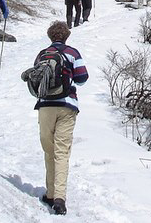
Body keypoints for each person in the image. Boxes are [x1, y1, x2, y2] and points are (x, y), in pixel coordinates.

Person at [33, 21, 88, 216]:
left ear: (50, 36)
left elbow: (36, 78)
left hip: (45, 106)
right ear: (66, 36)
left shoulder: (42, 54)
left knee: (49, 151)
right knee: (62, 152)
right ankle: (60, 198)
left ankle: (50, 193)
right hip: (67, 105)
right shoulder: (73, 53)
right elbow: (82, 78)